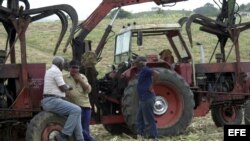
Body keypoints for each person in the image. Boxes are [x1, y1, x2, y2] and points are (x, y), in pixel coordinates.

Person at [41, 56, 84, 141]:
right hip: (52, 100)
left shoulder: (49, 71)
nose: (63, 67)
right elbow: (63, 88)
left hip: (48, 100)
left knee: (77, 113)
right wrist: (70, 87)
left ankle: (80, 139)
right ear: (60, 64)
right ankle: (63, 135)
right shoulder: (56, 71)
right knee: (76, 110)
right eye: (63, 64)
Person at [64, 60, 96, 141]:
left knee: (85, 130)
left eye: (76, 68)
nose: (74, 70)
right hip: (74, 108)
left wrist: (80, 80)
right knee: (79, 130)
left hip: (86, 107)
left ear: (79, 69)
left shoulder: (83, 77)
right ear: (69, 68)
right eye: (72, 68)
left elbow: (88, 90)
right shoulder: (64, 77)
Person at [134, 56, 160, 141]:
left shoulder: (145, 69)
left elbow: (157, 74)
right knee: (139, 118)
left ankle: (153, 137)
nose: (135, 64)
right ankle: (140, 135)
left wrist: (151, 86)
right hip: (142, 98)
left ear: (141, 63)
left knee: (149, 118)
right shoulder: (141, 71)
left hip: (147, 97)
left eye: (137, 63)